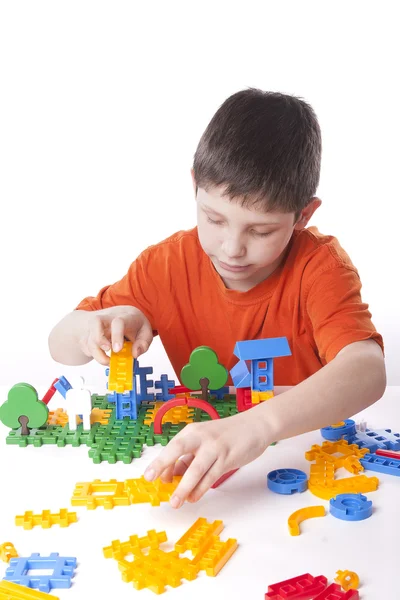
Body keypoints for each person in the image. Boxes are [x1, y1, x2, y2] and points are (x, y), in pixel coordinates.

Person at [48, 88, 386, 509]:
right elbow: (59, 344)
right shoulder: (165, 266)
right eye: (213, 218)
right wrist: (93, 327)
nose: (231, 248)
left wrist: (257, 425)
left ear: (303, 215)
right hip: (212, 475)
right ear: (194, 186)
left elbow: (367, 370)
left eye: (260, 231)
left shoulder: (320, 268)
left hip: (304, 464)